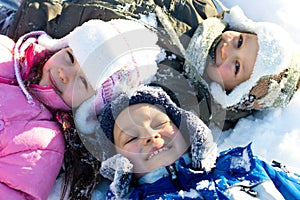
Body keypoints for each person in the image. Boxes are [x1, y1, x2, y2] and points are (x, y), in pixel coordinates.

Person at [0, 17, 161, 199]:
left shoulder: (42, 143)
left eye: (83, 81)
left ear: (89, 106)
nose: (64, 73)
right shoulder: (5, 51)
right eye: (70, 57)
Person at [76, 85, 300, 199]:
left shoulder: (243, 165)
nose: (150, 136)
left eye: (159, 123)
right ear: (120, 164)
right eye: (132, 137)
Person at [184, 5, 300, 113]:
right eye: (239, 42)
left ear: (231, 93)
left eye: (237, 67)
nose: (225, 50)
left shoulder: (181, 97)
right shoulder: (203, 8)